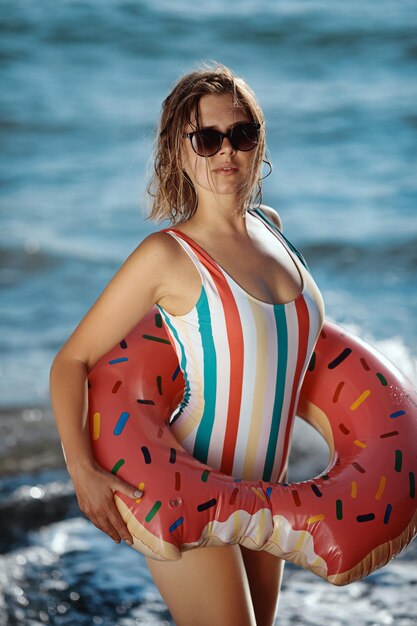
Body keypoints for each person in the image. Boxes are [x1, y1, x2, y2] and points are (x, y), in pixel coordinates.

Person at [50, 63, 324, 626]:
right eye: (207, 137)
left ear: (259, 144)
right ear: (180, 151)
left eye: (242, 134)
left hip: (265, 493)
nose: (227, 150)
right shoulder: (168, 256)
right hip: (185, 486)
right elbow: (71, 360)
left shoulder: (274, 229)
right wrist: (82, 470)